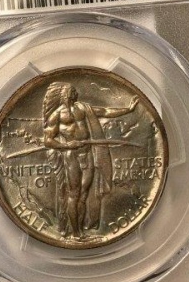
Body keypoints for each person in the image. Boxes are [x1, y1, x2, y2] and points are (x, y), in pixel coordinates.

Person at [43, 82, 138, 238]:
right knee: (74, 194)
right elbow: (48, 140)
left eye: (74, 91)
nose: (76, 93)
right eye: (72, 91)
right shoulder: (57, 115)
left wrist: (128, 109)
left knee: (84, 194)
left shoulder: (83, 108)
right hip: (71, 155)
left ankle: (81, 230)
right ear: (65, 94)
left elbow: (105, 111)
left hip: (87, 153)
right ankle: (75, 232)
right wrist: (66, 145)